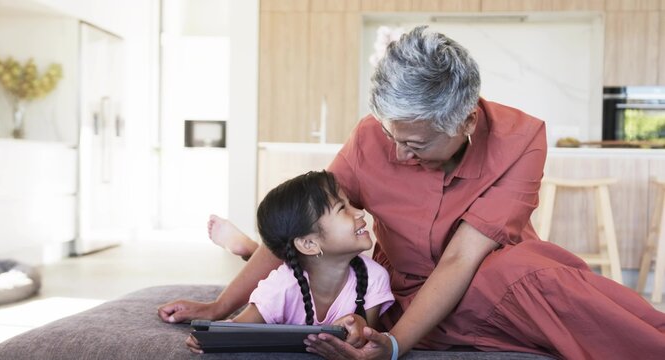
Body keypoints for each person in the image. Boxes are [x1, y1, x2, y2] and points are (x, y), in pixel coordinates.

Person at [159, 26, 665, 359]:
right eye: (392, 138)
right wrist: (220, 308)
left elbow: (461, 261)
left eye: (416, 144)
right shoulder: (370, 137)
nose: (399, 155)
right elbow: (304, 221)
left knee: (530, 275)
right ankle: (252, 251)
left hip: (482, 282)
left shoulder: (521, 138)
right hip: (401, 294)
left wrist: (395, 347)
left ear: (465, 122)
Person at [169, 171, 395, 354]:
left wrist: (358, 325)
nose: (359, 212)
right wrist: (208, 338)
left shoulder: (375, 277)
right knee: (282, 275)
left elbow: (368, 336)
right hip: (290, 272)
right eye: (342, 208)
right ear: (309, 244)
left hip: (301, 264)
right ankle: (248, 249)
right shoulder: (282, 285)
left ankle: (249, 249)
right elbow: (238, 326)